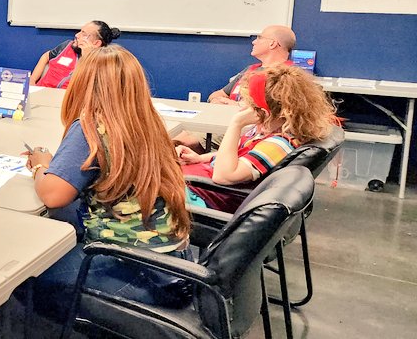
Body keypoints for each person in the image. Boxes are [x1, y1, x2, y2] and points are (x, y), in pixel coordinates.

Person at [22, 45, 192, 322]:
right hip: (173, 265)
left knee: (24, 276)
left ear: (83, 85)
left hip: (134, 271)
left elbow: (53, 195)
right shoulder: (146, 121)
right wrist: (60, 164)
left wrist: (42, 164)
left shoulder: (91, 127)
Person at [177, 65, 336, 213]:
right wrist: (199, 158)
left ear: (266, 111)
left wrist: (236, 124)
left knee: (153, 182)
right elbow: (236, 156)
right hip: (200, 183)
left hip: (208, 196)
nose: (242, 107)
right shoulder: (267, 131)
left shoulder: (278, 144)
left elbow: (223, 176)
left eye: (248, 103)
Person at [173, 24, 297, 152]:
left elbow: (276, 114)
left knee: (178, 142)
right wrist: (217, 102)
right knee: (172, 135)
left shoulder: (286, 77)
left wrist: (237, 106)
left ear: (272, 44)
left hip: (246, 130)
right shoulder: (250, 70)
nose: (254, 41)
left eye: (259, 37)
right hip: (220, 121)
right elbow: (216, 95)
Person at [29, 20, 120, 88]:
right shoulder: (67, 46)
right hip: (41, 91)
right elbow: (46, 56)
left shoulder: (102, 62)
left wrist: (86, 58)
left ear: (96, 43)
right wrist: (32, 80)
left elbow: (92, 89)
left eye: (83, 34)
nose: (77, 35)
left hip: (66, 102)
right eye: (80, 31)